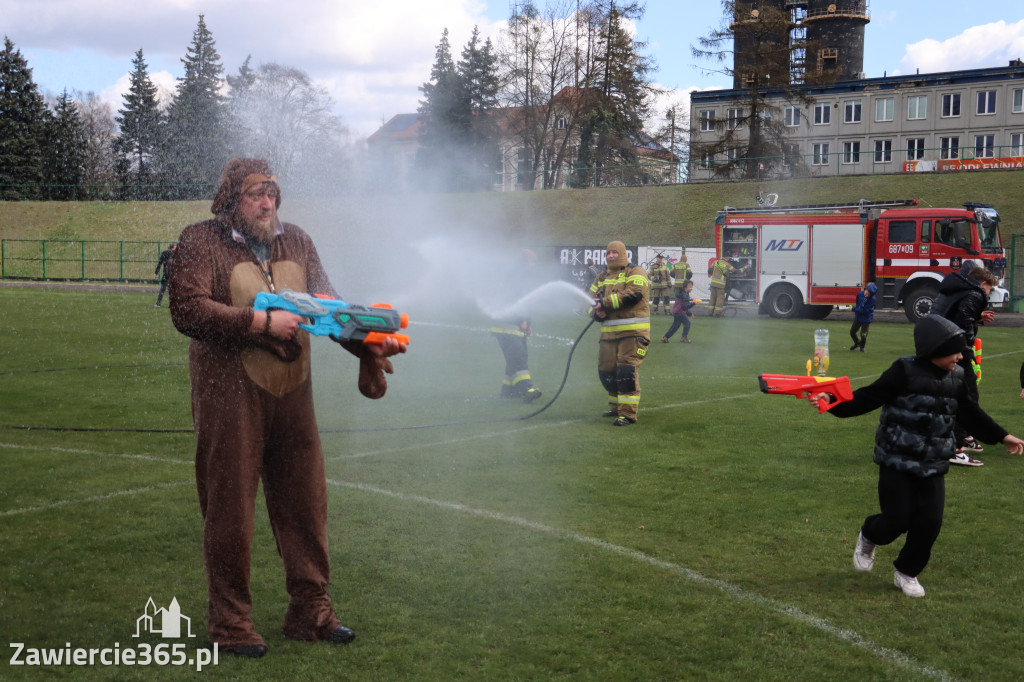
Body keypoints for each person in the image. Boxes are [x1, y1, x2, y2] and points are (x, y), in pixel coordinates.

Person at [169, 158, 406, 658]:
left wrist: (367, 341)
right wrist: (259, 324)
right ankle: (231, 623)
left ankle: (312, 612)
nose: (267, 203)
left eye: (273, 194)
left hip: (294, 398)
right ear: (232, 198)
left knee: (306, 505)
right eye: (257, 194)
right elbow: (187, 308)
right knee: (230, 510)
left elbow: (326, 305)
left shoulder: (295, 239)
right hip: (228, 401)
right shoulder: (198, 239)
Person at [812, 314, 1023, 597]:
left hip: (934, 461)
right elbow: (867, 397)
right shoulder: (904, 371)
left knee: (930, 523)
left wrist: (1002, 436)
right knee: (896, 519)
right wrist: (832, 401)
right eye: (955, 351)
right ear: (935, 349)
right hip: (896, 459)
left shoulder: (958, 377)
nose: (960, 357)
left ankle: (907, 572)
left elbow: (970, 413)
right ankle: (869, 535)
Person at [931, 263, 999, 466]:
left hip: (936, 344)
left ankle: (958, 439)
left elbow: (954, 316)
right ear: (983, 283)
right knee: (965, 397)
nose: (987, 295)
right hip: (952, 350)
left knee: (953, 396)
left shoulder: (954, 287)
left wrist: (976, 318)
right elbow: (961, 324)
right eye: (989, 289)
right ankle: (955, 445)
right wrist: (967, 353)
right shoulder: (975, 293)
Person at [590, 240, 650, 426]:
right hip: (608, 336)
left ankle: (628, 413)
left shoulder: (635, 272)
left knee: (626, 371)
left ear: (623, 254)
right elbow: (590, 301)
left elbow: (634, 294)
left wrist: (604, 303)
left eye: (615, 252)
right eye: (608, 253)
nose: (611, 256)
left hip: (633, 334)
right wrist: (596, 312)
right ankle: (615, 407)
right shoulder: (601, 277)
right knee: (606, 372)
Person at [491, 249, 542, 404]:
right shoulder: (515, 278)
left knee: (513, 360)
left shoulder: (519, 277)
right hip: (508, 326)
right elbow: (512, 300)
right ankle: (527, 390)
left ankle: (508, 392)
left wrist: (528, 323)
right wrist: (521, 320)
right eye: (532, 262)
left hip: (511, 325)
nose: (534, 265)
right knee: (519, 358)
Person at [849, 282, 877, 351]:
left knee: (863, 334)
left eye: (869, 294)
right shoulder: (860, 294)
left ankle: (862, 347)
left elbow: (864, 310)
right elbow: (858, 304)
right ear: (865, 289)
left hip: (866, 318)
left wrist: (853, 309)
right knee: (852, 331)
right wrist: (853, 308)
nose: (866, 295)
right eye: (866, 292)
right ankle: (857, 343)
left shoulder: (872, 299)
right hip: (858, 317)